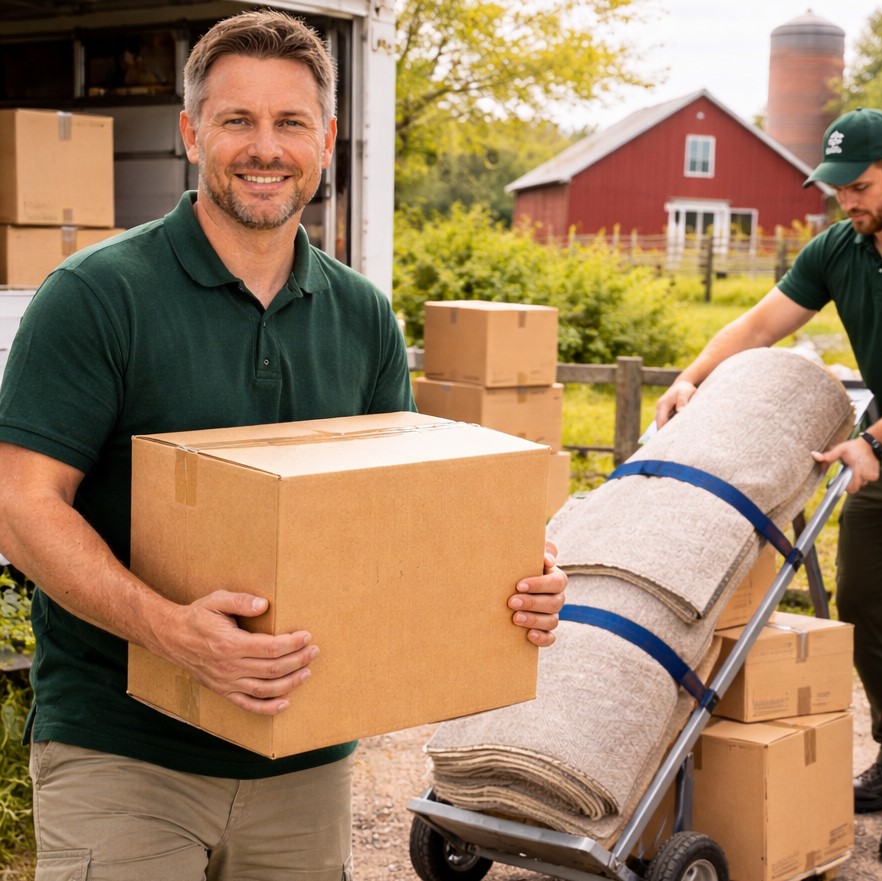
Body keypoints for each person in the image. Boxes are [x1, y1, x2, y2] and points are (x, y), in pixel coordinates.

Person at [0, 11, 566, 881]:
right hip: (124, 753)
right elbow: (21, 505)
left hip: (304, 762)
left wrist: (511, 580)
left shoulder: (361, 314)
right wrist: (173, 633)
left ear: (327, 139)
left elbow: (396, 519)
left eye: (290, 122)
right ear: (192, 133)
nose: (265, 148)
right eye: (237, 120)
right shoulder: (97, 296)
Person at [655, 108, 882, 864]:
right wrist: (692, 377)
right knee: (861, 605)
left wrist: (873, 439)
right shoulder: (839, 249)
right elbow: (759, 326)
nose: (847, 201)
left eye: (860, 185)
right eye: (836, 188)